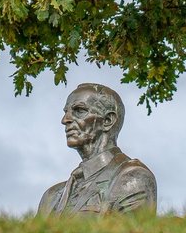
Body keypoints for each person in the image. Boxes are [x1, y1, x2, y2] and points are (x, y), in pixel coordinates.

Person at [38, 83, 157, 215]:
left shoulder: (132, 177)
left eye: (79, 111)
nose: (65, 120)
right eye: (66, 112)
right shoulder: (52, 196)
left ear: (107, 120)